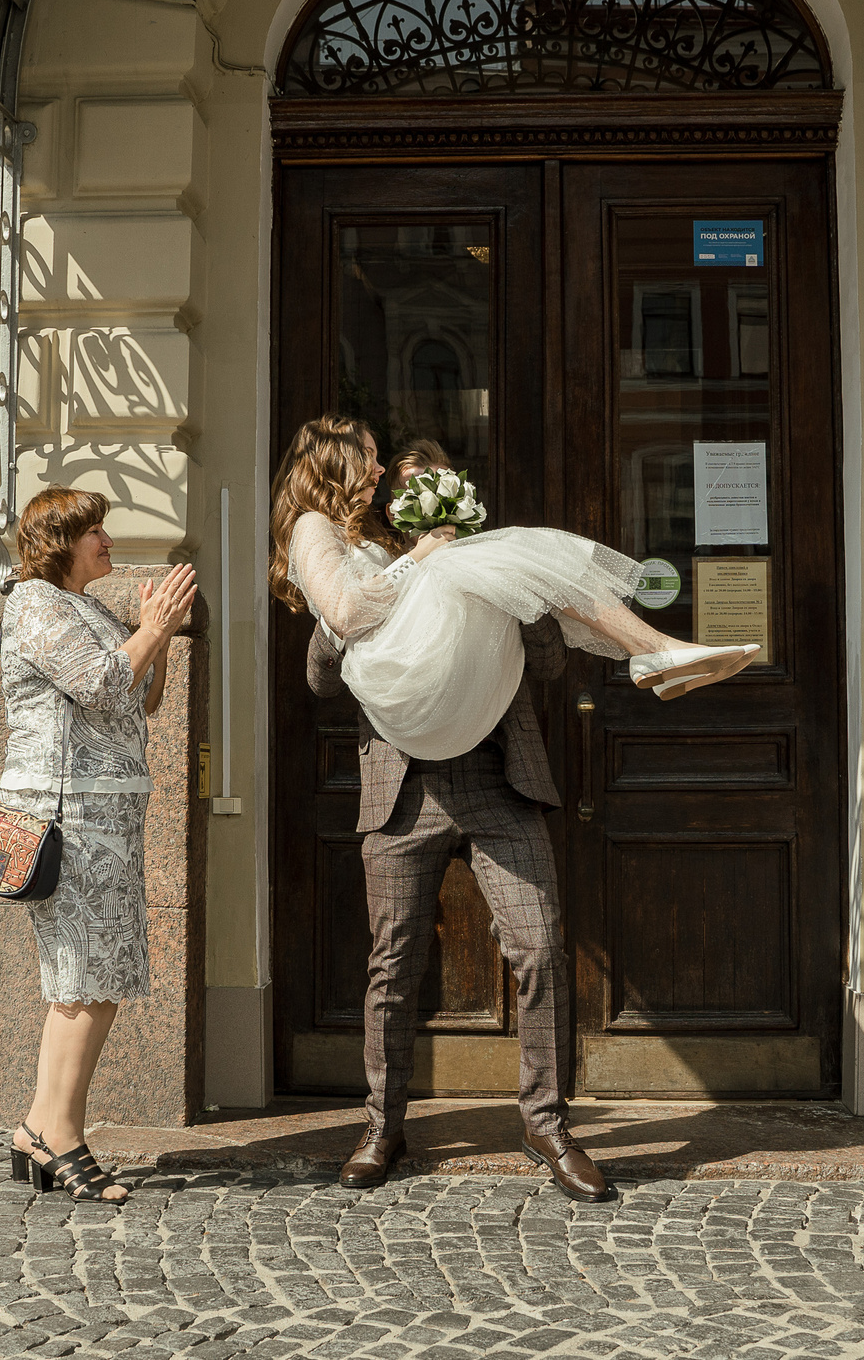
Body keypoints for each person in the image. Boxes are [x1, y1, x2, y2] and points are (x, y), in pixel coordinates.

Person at [307, 449, 608, 1203]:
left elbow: (549, 664)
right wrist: (364, 598)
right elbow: (319, 676)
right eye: (400, 489)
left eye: (425, 485)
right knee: (393, 967)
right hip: (402, 793)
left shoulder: (492, 561)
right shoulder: (368, 571)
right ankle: (382, 1128)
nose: (412, 499)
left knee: (540, 948)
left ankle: (546, 1124)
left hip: (498, 781)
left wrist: (513, 586)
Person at [270, 414, 757, 764]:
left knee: (517, 559)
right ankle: (651, 649)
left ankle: (653, 650)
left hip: (432, 670)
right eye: (370, 457)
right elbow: (344, 613)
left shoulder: (354, 529)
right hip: (392, 669)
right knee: (513, 550)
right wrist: (422, 555)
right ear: (336, 460)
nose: (378, 470)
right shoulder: (312, 524)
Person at [0, 486, 199, 1204]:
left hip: (103, 819)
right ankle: (62, 1134)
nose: (108, 541)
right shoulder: (36, 605)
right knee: (86, 981)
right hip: (66, 819)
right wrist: (152, 627)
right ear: (60, 544)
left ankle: (37, 1128)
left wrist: (157, 637)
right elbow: (102, 682)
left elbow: (143, 697)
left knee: (86, 980)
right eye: (95, 532)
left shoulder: (88, 608)